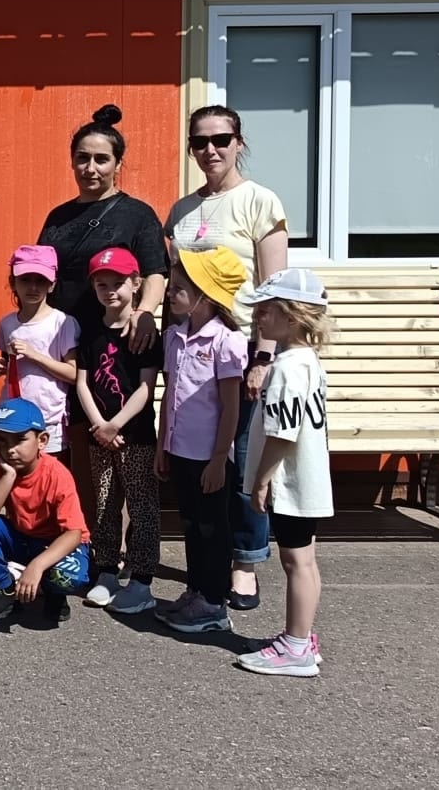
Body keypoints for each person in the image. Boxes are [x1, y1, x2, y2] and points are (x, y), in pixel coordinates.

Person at [165, 105, 288, 611]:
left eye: (220, 139)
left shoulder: (259, 200)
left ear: (239, 142)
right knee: (203, 464)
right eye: (199, 141)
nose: (210, 150)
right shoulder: (181, 210)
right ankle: (207, 567)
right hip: (195, 350)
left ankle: (245, 563)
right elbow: (174, 282)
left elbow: (274, 287)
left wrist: (264, 355)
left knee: (240, 463)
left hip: (241, 349)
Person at [36, 105, 169, 526]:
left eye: (101, 159)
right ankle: (82, 535)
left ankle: (117, 544)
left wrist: (144, 313)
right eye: (82, 158)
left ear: (117, 164)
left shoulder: (137, 214)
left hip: (113, 346)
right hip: (66, 345)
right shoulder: (58, 217)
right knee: (76, 442)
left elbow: (156, 271)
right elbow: (40, 276)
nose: (90, 168)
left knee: (118, 447)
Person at [237, 269, 335, 677]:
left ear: (292, 316)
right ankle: (302, 637)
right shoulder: (307, 361)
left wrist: (262, 479)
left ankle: (295, 648)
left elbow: (281, 433)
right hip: (308, 479)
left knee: (295, 562)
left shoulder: (286, 369)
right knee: (305, 561)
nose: (257, 317)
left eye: (266, 310)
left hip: (290, 482)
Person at [155, 248, 248, 634]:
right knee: (191, 524)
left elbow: (231, 408)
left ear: (205, 296)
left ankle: (213, 602)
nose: (170, 294)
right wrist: (162, 446)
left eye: (179, 288)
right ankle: (196, 590)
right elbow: (170, 394)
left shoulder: (227, 342)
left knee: (213, 528)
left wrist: (218, 459)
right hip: (179, 451)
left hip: (209, 457)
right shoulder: (174, 337)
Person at [73, 248, 163, 615]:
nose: (110, 290)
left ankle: (141, 579)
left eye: (118, 283)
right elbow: (82, 382)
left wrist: (116, 424)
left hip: (135, 436)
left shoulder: (143, 334)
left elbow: (145, 388)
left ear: (136, 283)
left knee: (142, 507)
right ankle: (107, 571)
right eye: (102, 284)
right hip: (100, 436)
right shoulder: (91, 330)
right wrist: (99, 426)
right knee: (105, 503)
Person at [0, 398, 91, 626]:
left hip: (56, 545)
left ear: (42, 441)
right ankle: (5, 589)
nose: (10, 449)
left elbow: (74, 533)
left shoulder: (57, 474)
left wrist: (37, 566)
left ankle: (54, 595)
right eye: (1, 440)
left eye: (20, 439)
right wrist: (9, 475)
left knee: (67, 576)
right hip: (23, 539)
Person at [0, 245, 79, 458]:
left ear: (52, 285)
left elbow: (73, 374)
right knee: (11, 469)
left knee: (50, 472)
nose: (33, 287)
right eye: (26, 280)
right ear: (13, 283)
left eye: (41, 281)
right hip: (12, 416)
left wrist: (34, 355)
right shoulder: (6, 324)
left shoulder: (62, 323)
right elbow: (9, 366)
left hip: (49, 418)